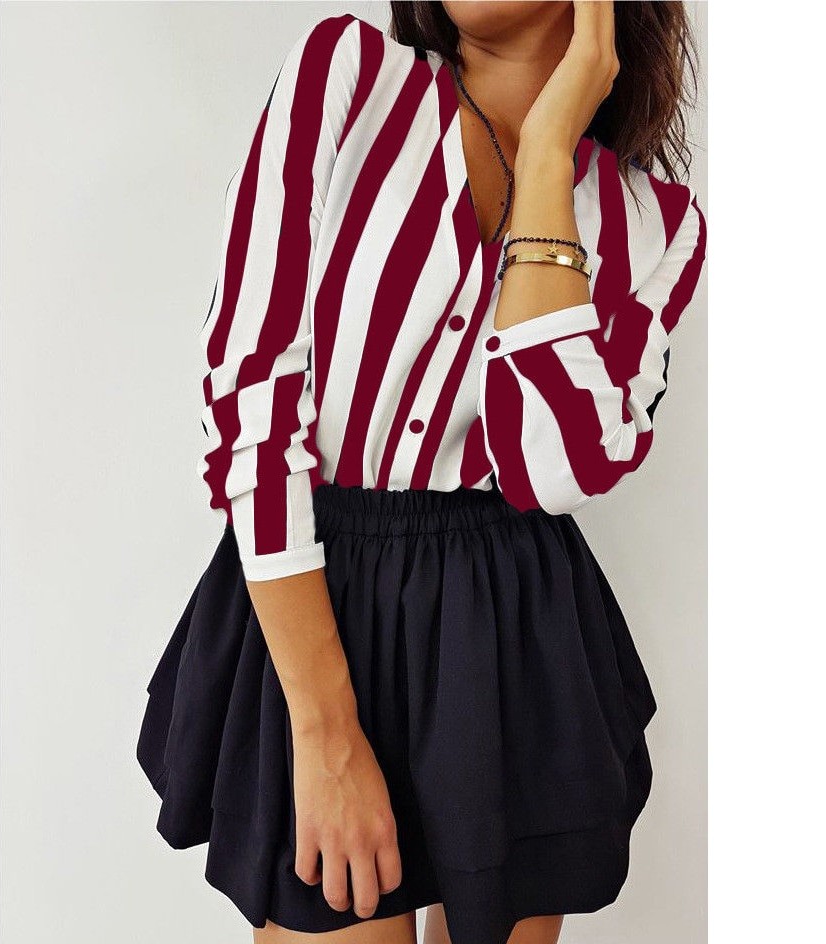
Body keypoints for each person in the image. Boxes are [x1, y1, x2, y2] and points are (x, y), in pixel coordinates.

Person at [136, 2, 707, 943]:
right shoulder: (350, 78)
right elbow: (250, 403)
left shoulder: (656, 226)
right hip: (316, 596)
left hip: (516, 625)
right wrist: (325, 731)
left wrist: (548, 159)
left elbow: (549, 470)